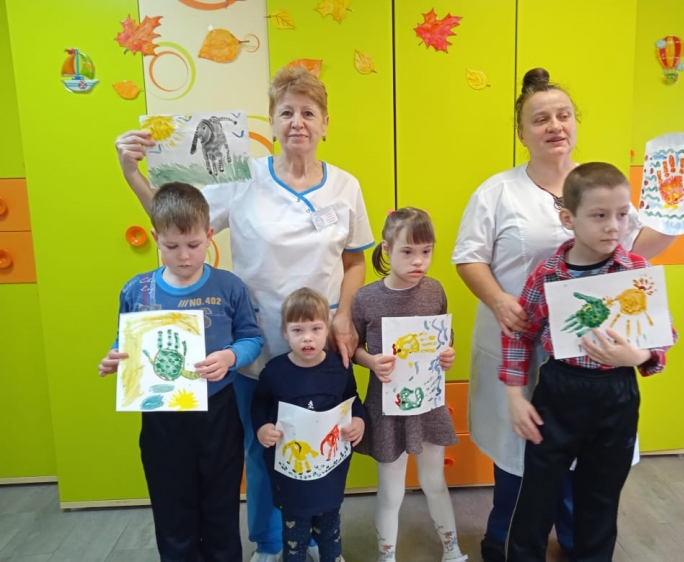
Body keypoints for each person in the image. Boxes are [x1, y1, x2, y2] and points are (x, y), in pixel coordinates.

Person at [452, 67, 684, 562]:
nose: (554, 125)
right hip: (519, 337)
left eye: (563, 115)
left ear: (576, 123)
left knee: (589, 470)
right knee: (522, 463)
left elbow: (637, 249)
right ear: (522, 133)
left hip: (595, 357)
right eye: (540, 119)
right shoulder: (498, 192)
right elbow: (468, 256)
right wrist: (500, 302)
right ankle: (508, 544)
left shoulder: (601, 186)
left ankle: (579, 544)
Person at [114, 67, 374, 562]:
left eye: (309, 112)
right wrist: (132, 173)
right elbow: (175, 222)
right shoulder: (243, 178)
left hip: (317, 346)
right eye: (286, 112)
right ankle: (271, 542)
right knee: (262, 446)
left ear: (325, 123)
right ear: (272, 122)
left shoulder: (346, 187)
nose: (297, 122)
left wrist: (344, 315)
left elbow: (356, 261)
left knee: (320, 439)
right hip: (255, 344)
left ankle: (315, 534)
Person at [501, 162, 676, 560]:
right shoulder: (547, 275)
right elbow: (519, 333)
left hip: (616, 394)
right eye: (599, 216)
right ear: (569, 219)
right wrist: (514, 397)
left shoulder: (637, 271)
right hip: (559, 392)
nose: (613, 227)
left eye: (622, 215)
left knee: (601, 498)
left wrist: (638, 356)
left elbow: (663, 336)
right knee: (537, 497)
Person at [97, 182, 264, 561]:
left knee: (220, 506)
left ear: (209, 235)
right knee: (172, 507)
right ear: (156, 238)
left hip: (217, 414)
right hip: (162, 420)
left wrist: (230, 357)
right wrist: (114, 358)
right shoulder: (137, 290)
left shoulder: (229, 286)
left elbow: (251, 338)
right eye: (171, 246)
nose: (184, 256)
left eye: (193, 244)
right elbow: (124, 341)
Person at [352, 208, 467, 562]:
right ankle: (386, 556)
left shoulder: (434, 290)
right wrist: (371, 361)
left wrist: (448, 353)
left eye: (426, 251)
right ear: (387, 249)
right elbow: (352, 348)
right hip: (388, 406)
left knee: (434, 482)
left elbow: (444, 336)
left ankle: (452, 549)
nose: (419, 261)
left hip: (428, 401)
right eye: (407, 251)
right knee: (391, 491)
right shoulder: (366, 298)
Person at [251, 287, 366, 562]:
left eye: (315, 328)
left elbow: (352, 398)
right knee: (295, 531)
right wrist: (262, 428)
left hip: (330, 470)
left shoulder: (340, 367)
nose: (307, 338)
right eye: (297, 330)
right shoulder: (274, 371)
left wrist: (359, 420)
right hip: (292, 473)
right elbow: (259, 405)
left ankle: (332, 557)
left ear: (327, 328)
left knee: (330, 526)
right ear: (284, 332)